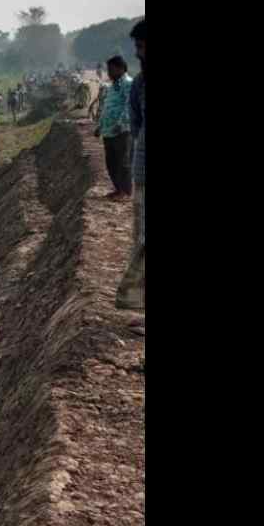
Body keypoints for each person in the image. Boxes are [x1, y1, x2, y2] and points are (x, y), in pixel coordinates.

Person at [117, 20, 146, 326]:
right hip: (143, 169)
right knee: (141, 236)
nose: (137, 52)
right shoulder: (140, 83)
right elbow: (136, 124)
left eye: (140, 45)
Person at [95, 55, 134, 200]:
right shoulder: (113, 86)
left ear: (121, 68)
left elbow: (129, 106)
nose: (109, 73)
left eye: (111, 70)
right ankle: (118, 189)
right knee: (111, 162)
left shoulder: (128, 84)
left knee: (122, 162)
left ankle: (125, 191)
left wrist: (120, 124)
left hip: (122, 131)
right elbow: (107, 108)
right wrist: (100, 126)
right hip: (108, 131)